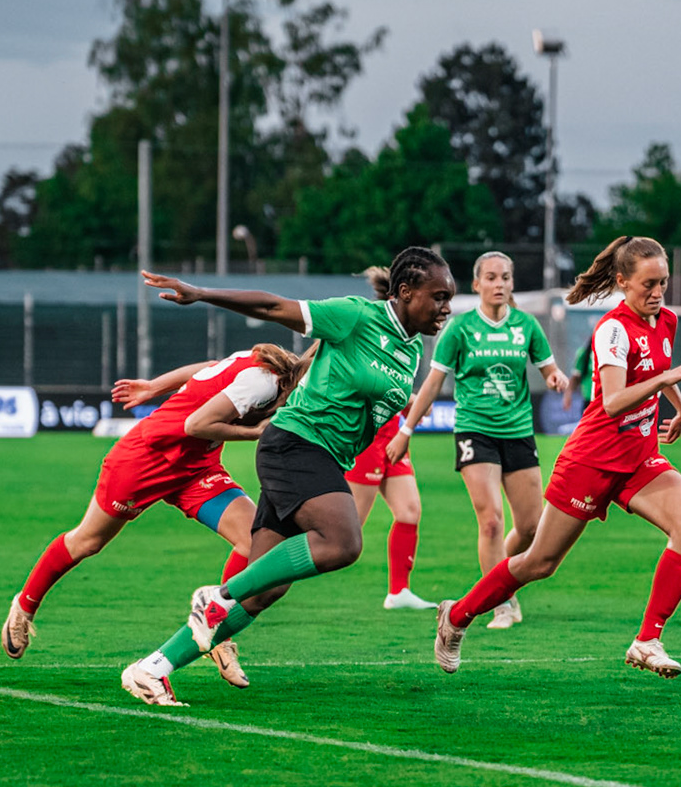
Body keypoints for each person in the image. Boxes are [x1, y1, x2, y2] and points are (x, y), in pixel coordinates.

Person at [119, 247, 456, 705]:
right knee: (343, 541)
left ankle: (151, 669)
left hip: (320, 457)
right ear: (405, 292)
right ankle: (217, 595)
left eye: (449, 298)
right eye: (438, 297)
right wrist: (201, 293)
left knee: (266, 589)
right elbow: (273, 306)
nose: (446, 308)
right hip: (295, 444)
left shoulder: (411, 350)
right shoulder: (356, 316)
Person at [433, 236, 681, 677]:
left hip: (638, 458)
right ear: (622, 282)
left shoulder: (664, 320)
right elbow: (614, 401)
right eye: (648, 285)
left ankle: (647, 640)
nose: (657, 293)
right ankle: (456, 616)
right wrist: (668, 379)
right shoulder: (612, 329)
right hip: (592, 461)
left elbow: (655, 368)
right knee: (539, 562)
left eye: (663, 283)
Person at [2, 344, 309, 689]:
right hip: (147, 460)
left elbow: (205, 368)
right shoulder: (263, 382)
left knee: (253, 540)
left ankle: (217, 634)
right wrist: (255, 433)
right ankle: (24, 607)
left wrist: (153, 386)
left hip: (195, 468)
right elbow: (197, 425)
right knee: (87, 541)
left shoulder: (270, 368)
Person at [392, 250, 567, 630]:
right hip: (474, 430)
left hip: (518, 432)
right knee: (490, 521)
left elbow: (549, 369)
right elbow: (432, 384)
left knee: (533, 527)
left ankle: (497, 579)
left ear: (511, 283)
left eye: (505, 277)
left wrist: (556, 378)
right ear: (476, 285)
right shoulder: (459, 329)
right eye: (491, 277)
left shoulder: (527, 326)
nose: (499, 284)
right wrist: (406, 430)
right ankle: (502, 603)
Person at [340, 265, 435, 610]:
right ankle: (269, 573)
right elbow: (367, 382)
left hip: (393, 434)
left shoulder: (408, 339)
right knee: (346, 532)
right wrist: (410, 400)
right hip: (368, 437)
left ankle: (399, 592)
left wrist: (410, 402)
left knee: (409, 511)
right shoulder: (370, 331)